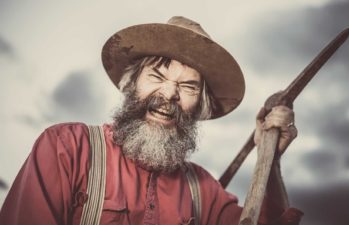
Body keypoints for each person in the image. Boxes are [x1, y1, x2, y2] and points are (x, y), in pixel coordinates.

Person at [0, 16, 302, 225]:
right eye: (157, 76)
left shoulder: (205, 193)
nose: (170, 93)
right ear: (131, 85)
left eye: (187, 86)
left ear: (199, 107)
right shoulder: (67, 150)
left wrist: (270, 156)